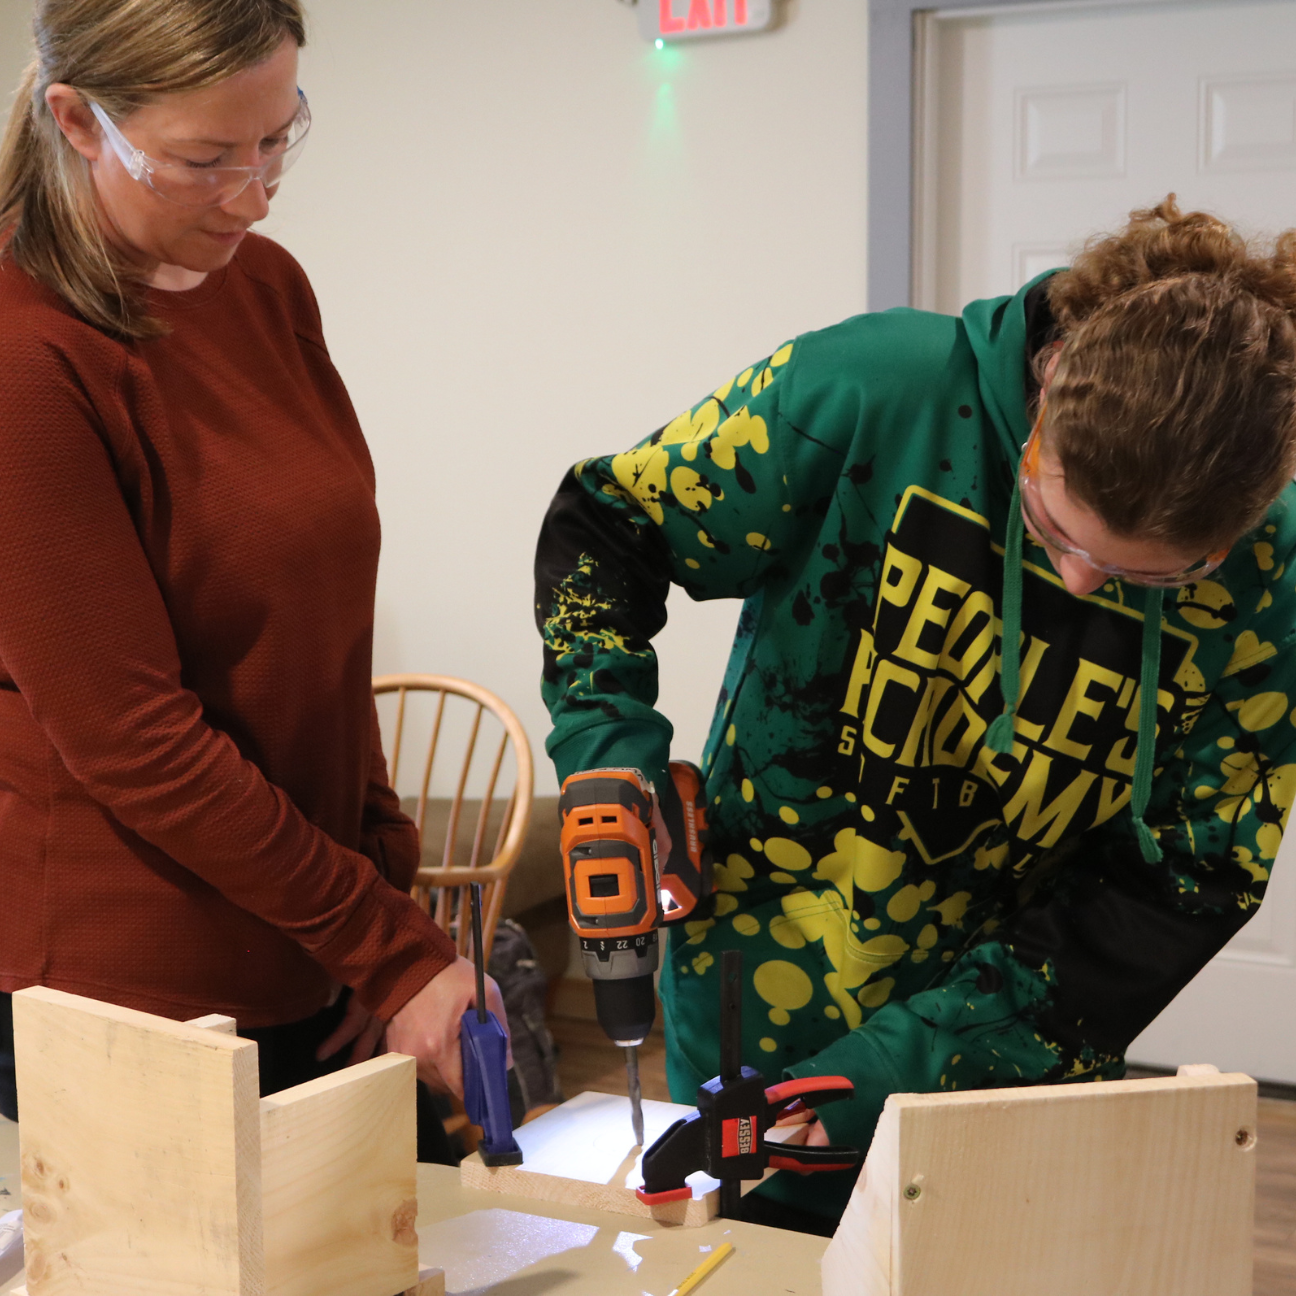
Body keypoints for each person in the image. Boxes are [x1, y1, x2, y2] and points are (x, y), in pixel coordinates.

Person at [535, 198, 1296, 1233]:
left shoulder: (1275, 575)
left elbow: (1182, 884)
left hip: (1000, 1055)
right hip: (757, 999)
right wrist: (607, 750)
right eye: (1048, 523)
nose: (1077, 580)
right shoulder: (873, 390)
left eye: (1140, 577)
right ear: (1052, 383)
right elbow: (610, 529)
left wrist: (903, 1066)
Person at [0, 0, 505, 1155]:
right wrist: (384, 944)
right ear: (78, 122)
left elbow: (321, 637)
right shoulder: (26, 354)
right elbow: (131, 735)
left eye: (279, 138)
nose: (256, 192)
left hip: (315, 949)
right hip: (138, 995)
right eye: (205, 158)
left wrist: (384, 914)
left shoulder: (265, 287)